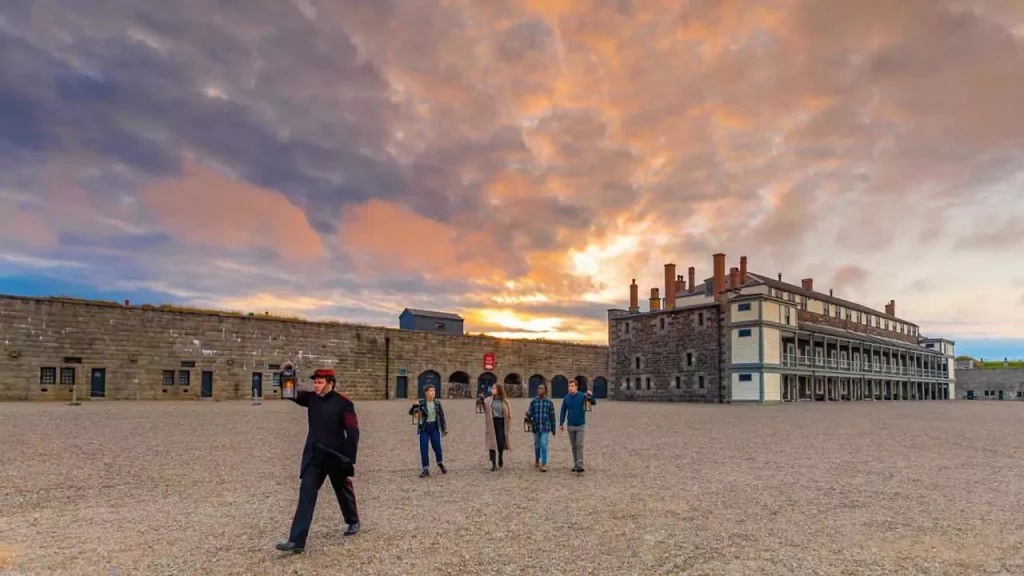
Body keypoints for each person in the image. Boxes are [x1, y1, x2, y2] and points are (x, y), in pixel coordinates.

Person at [276, 368, 360, 554]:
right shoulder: (311, 399)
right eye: (315, 382)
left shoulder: (344, 403)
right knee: (306, 492)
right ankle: (296, 541)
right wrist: (287, 374)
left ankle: (353, 520)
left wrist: (349, 459)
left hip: (335, 456)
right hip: (314, 455)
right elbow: (289, 392)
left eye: (320, 382)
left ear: (330, 383)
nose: (316, 385)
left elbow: (353, 432)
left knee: (342, 489)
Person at [409, 384, 447, 478]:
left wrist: (444, 429)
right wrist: (414, 406)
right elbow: (411, 413)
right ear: (426, 392)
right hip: (424, 428)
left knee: (437, 447)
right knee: (424, 448)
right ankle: (425, 469)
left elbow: (441, 416)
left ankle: (440, 463)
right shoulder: (421, 403)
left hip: (434, 427)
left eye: (434, 390)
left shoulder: (437, 403)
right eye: (431, 390)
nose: (433, 392)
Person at [559, 379, 595, 473]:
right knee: (574, 446)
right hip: (570, 425)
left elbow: (593, 402)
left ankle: (580, 464)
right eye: (569, 386)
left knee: (579, 444)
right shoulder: (566, 398)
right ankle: (576, 464)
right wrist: (561, 423)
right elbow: (563, 411)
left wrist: (590, 395)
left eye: (572, 386)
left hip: (580, 425)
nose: (570, 388)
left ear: (576, 387)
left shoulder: (582, 396)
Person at [526, 383, 556, 472]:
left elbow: (552, 416)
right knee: (537, 445)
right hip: (536, 426)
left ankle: (544, 463)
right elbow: (530, 412)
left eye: (542, 389)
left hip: (545, 427)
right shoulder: (534, 401)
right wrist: (528, 414)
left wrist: (553, 428)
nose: (540, 390)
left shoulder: (549, 402)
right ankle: (537, 458)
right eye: (539, 389)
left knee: (543, 444)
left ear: (545, 390)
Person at [483, 382, 511, 471]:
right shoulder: (488, 401)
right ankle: (493, 463)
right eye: (492, 388)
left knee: (500, 442)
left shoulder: (504, 402)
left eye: (494, 388)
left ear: (498, 390)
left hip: (501, 422)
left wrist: (508, 424)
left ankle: (500, 455)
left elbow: (508, 415)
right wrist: (480, 400)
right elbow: (482, 406)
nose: (492, 390)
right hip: (492, 423)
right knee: (492, 443)